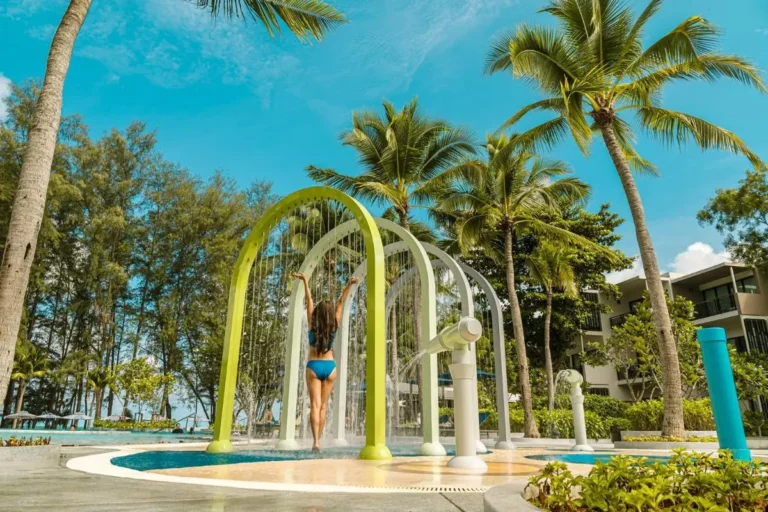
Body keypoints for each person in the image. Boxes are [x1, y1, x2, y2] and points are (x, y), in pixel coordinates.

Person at [293, 272, 358, 452]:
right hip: (330, 367)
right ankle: (318, 440)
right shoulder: (334, 325)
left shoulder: (312, 324)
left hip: (314, 366)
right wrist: (349, 285)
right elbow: (341, 302)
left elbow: (309, 299)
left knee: (314, 405)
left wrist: (305, 281)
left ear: (317, 313)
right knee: (323, 406)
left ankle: (316, 441)